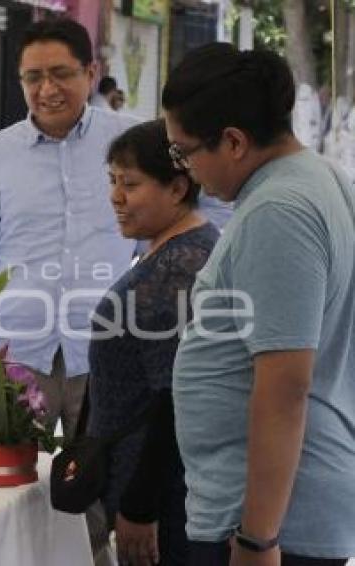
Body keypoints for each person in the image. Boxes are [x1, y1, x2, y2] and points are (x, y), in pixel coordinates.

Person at [164, 43, 355, 566]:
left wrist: (258, 537)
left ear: (233, 141)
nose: (185, 171)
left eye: (183, 153)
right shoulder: (316, 178)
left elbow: (285, 385)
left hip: (271, 523)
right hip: (272, 510)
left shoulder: (280, 211)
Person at [0, 17, 136, 442]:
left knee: (102, 497)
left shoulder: (129, 143)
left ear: (90, 73)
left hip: (103, 356)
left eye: (61, 74)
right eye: (33, 77)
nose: (47, 90)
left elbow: (167, 233)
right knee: (5, 492)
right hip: (16, 357)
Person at [86, 119, 218, 566]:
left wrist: (141, 505)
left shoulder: (180, 267)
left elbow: (175, 397)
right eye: (112, 182)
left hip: (162, 505)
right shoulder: (175, 250)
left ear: (178, 189)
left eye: (131, 184)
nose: (115, 197)